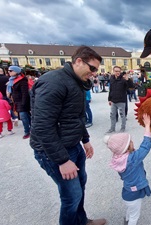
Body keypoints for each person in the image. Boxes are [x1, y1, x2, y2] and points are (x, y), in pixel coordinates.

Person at [30, 46, 106, 225]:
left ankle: (82, 221)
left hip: (73, 146)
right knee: (71, 196)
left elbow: (76, 117)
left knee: (79, 187)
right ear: (78, 61)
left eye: (97, 70)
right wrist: (63, 160)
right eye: (92, 68)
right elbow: (42, 126)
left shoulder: (76, 81)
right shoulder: (53, 82)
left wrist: (85, 140)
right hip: (55, 152)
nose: (94, 74)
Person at [103, 113, 151, 225]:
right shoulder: (132, 159)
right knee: (134, 217)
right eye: (130, 141)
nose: (132, 142)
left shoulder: (117, 158)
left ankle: (126, 221)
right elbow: (146, 146)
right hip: (134, 195)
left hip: (127, 193)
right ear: (127, 147)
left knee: (130, 211)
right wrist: (147, 126)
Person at [9, 66, 31, 139]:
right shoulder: (12, 80)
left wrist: (24, 103)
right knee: (27, 116)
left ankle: (27, 132)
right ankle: (33, 128)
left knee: (23, 117)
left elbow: (25, 93)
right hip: (17, 101)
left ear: (16, 71)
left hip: (22, 101)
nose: (9, 72)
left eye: (11, 70)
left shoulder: (22, 80)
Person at [107, 66, 129, 133]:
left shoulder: (123, 80)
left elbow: (130, 87)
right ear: (113, 72)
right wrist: (109, 99)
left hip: (121, 100)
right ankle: (112, 128)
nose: (118, 73)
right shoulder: (111, 79)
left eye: (119, 71)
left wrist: (128, 80)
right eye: (116, 71)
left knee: (122, 115)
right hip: (113, 100)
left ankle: (123, 128)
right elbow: (111, 90)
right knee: (112, 115)